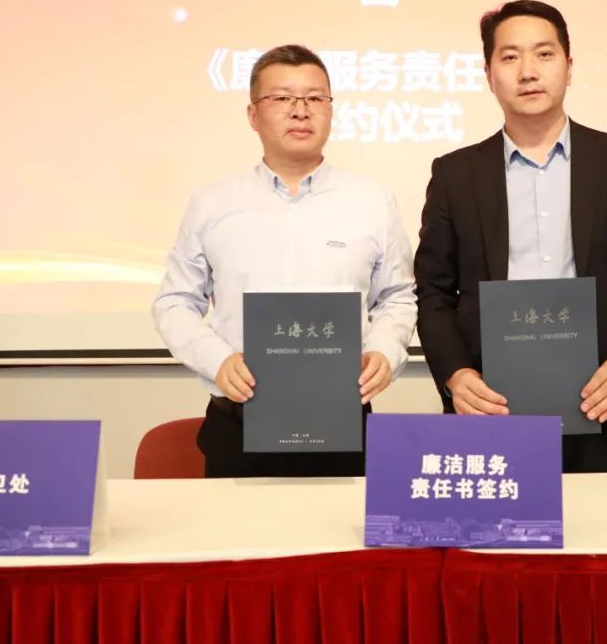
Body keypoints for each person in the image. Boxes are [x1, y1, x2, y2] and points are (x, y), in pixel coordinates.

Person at [415, 1, 607, 472]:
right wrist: (455, 375)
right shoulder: (455, 175)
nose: (528, 72)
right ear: (488, 73)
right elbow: (433, 293)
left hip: (603, 407)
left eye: (544, 54)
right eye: (510, 57)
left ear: (569, 66)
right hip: (492, 409)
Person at [153, 44, 416, 477]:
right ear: (253, 114)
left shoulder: (371, 200)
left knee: (344, 525)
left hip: (344, 421)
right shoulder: (212, 204)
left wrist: (385, 352)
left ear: (331, 110)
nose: (300, 111)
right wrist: (218, 360)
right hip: (239, 420)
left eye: (315, 98)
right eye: (282, 98)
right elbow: (175, 302)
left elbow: (397, 297)